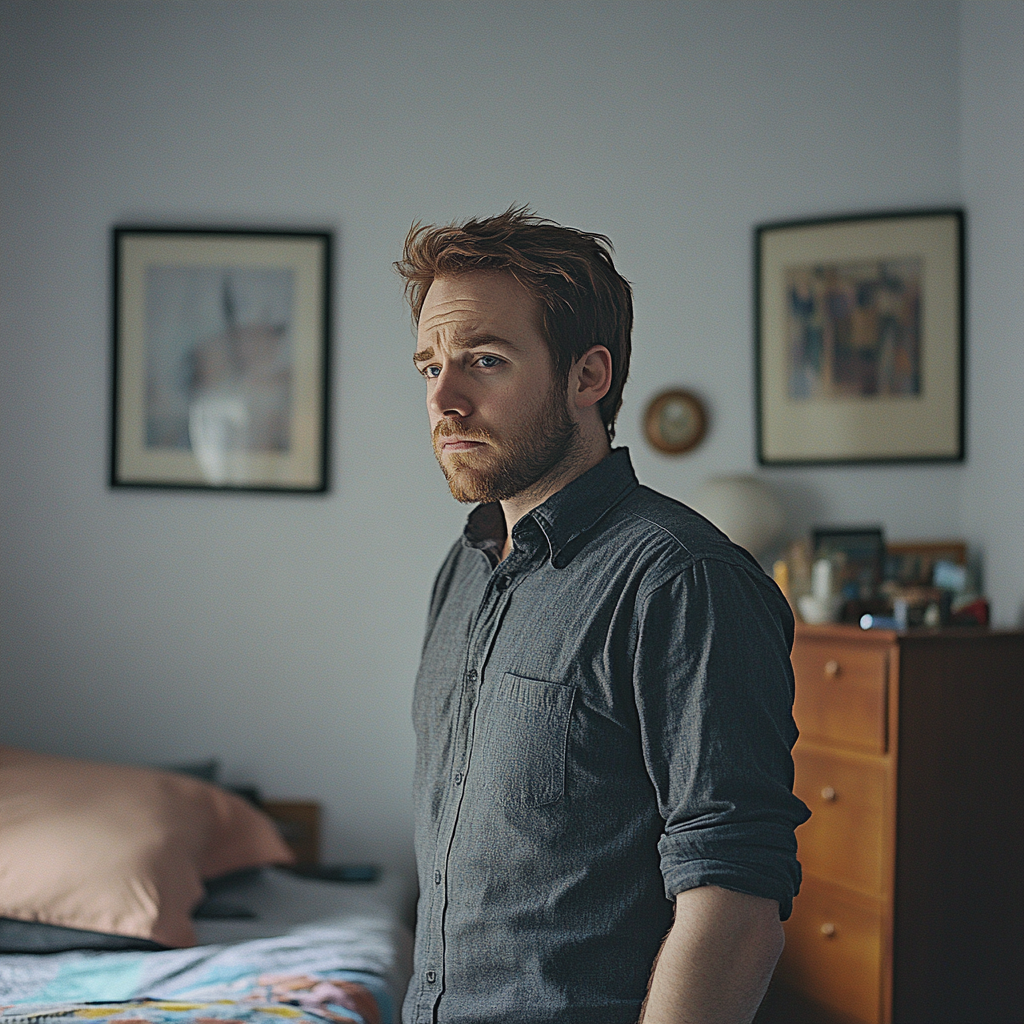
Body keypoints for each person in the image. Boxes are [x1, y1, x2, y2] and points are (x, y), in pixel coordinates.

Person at [394, 207, 810, 1024]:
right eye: (429, 367)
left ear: (590, 377)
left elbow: (735, 898)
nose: (445, 398)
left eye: (485, 360)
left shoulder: (684, 581)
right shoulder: (466, 568)